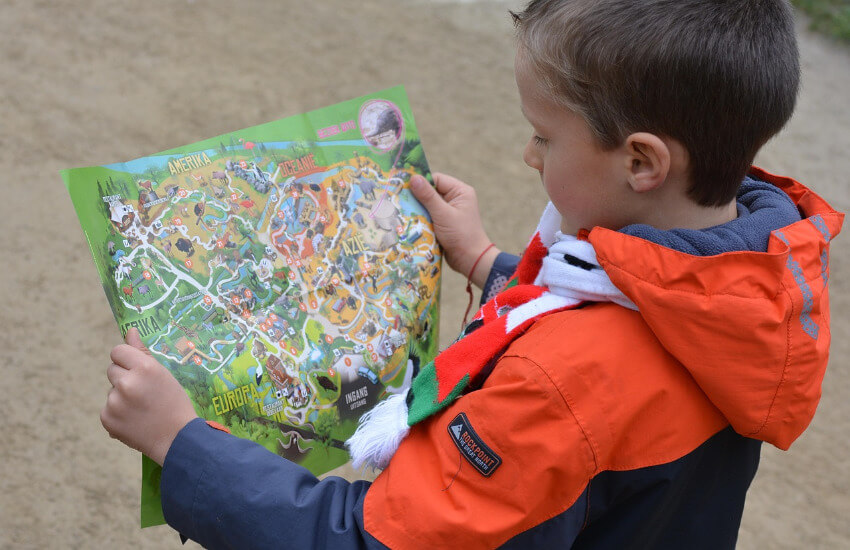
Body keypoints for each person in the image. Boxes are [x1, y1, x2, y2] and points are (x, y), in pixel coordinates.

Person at [101, 1, 843, 548]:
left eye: (543, 135)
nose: (528, 154)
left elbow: (372, 542)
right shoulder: (740, 292)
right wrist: (490, 266)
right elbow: (619, 364)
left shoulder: (559, 387)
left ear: (642, 162)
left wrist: (184, 444)